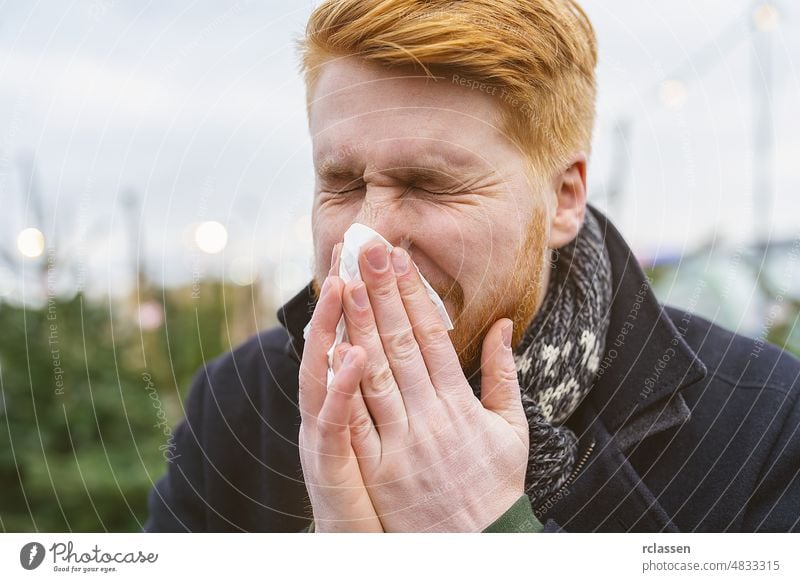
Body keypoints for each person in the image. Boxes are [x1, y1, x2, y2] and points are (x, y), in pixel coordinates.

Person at [144, 0, 800, 533]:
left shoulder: (765, 424)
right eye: (342, 184)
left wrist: (488, 532)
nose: (368, 238)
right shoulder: (240, 401)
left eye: (430, 185)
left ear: (564, 196)